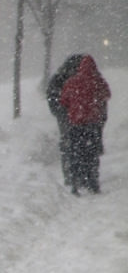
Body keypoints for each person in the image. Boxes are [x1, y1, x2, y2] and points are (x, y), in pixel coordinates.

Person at [59, 55, 111, 195]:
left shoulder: (72, 82)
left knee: (76, 153)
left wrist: (73, 110)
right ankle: (92, 182)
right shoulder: (98, 81)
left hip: (76, 124)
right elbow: (107, 95)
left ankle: (75, 183)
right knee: (91, 154)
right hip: (92, 125)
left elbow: (63, 101)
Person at [47, 55, 84, 186]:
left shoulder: (59, 79)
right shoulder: (82, 79)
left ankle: (70, 175)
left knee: (68, 145)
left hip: (67, 117)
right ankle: (79, 175)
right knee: (80, 145)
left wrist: (60, 112)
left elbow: (52, 97)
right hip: (78, 118)